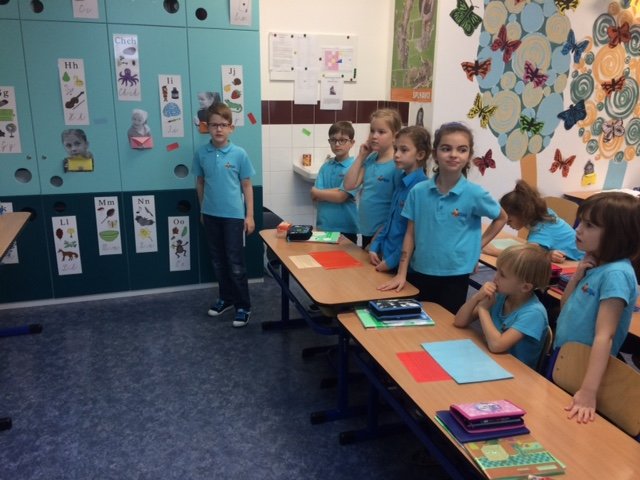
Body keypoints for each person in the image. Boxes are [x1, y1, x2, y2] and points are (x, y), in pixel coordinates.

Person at [379, 122, 507, 313]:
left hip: (456, 274)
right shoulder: (418, 191)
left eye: (462, 150)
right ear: (435, 153)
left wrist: (477, 246)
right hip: (421, 270)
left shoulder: (474, 193)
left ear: (469, 155)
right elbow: (410, 234)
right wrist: (401, 273)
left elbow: (501, 218)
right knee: (418, 320)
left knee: (447, 324)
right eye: (446, 149)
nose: (454, 154)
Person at [554, 192, 640, 423]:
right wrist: (577, 276)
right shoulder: (596, 265)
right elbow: (564, 306)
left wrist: (588, 392)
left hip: (586, 371)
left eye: (589, 225)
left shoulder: (616, 274)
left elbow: (605, 336)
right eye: (581, 221)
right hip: (567, 358)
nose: (578, 229)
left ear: (617, 235)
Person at [193, 102, 255, 328]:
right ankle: (226, 298)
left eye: (223, 125)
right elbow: (200, 182)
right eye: (214, 125)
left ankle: (243, 306)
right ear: (206, 127)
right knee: (218, 261)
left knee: (235, 263)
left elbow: (246, 185)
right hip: (210, 215)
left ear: (231, 128)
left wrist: (250, 216)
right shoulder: (202, 153)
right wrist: (202, 209)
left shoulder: (239, 154)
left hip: (233, 218)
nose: (218, 129)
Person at [454, 244, 551, 369]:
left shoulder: (534, 313)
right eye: (497, 270)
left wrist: (483, 310)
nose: (495, 277)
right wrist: (476, 297)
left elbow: (497, 345)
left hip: (516, 373)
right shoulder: (501, 296)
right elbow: (459, 321)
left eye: (503, 275)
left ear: (525, 287)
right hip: (489, 361)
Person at [369, 126, 430, 272]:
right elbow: (389, 221)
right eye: (396, 149)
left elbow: (413, 235)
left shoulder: (422, 188)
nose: (396, 155)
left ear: (420, 154)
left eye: (404, 150)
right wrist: (374, 246)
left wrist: (391, 261)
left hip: (404, 267)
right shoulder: (401, 181)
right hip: (384, 256)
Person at [343, 108, 404, 248]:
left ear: (395, 136)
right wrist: (361, 156)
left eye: (381, 132)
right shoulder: (371, 158)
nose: (374, 136)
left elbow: (397, 209)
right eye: (372, 131)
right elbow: (349, 185)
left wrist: (378, 238)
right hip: (366, 231)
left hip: (383, 234)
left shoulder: (397, 165)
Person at [483, 180, 584, 262]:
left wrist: (494, 251)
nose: (507, 224)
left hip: (578, 263)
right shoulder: (546, 214)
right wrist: (547, 254)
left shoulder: (541, 229)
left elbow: (526, 257)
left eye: (509, 220)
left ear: (523, 214)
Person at [310, 121, 359, 243]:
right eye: (333, 140)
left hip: (346, 228)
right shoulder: (325, 166)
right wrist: (337, 191)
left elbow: (341, 197)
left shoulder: (355, 167)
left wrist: (319, 192)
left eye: (342, 140)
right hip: (324, 226)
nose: (337, 144)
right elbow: (314, 197)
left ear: (352, 143)